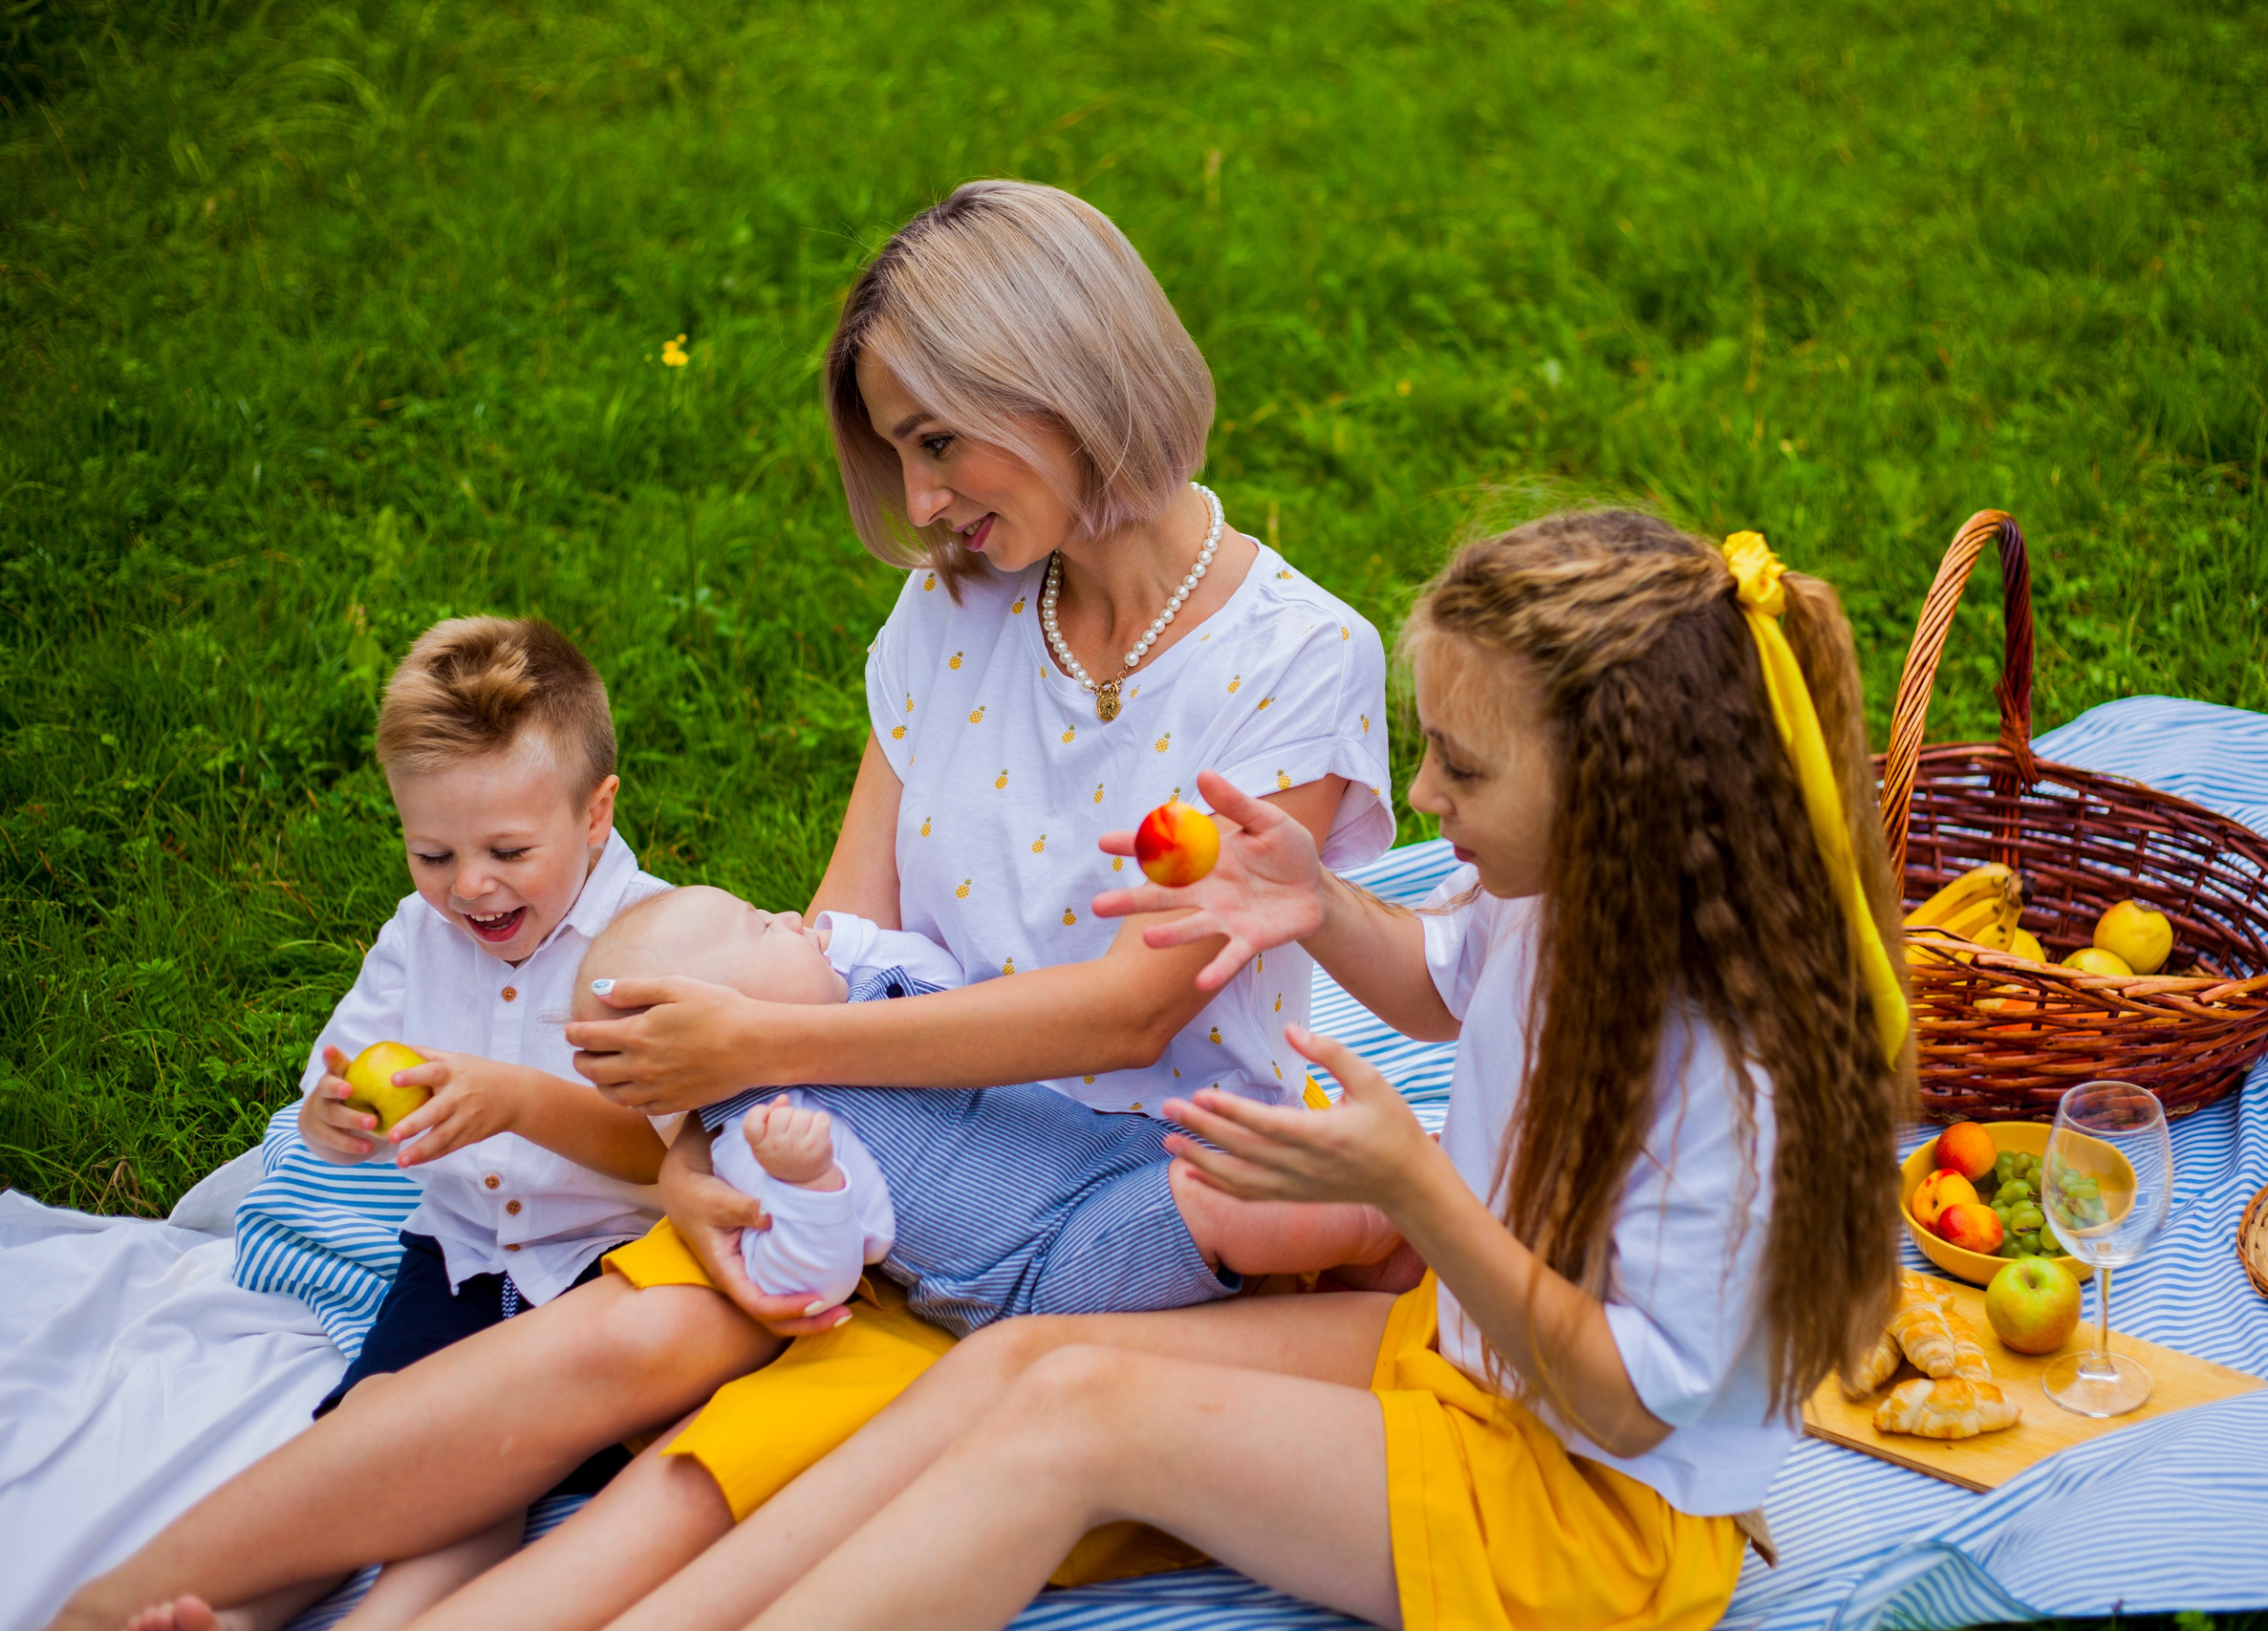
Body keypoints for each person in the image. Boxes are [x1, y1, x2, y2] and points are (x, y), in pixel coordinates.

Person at [54, 179, 1393, 1631]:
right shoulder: (954, 610)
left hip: (1120, 1212)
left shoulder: (1300, 654)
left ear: (1067, 380)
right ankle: (115, 1604)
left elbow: (1141, 1007)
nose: (925, 499)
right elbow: (834, 934)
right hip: (864, 1167)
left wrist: (750, 1062)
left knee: (697, 1483)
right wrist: (706, 1146)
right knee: (620, 1335)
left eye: (941, 440)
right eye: (900, 451)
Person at [483, 510, 1914, 1631]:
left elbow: (1627, 1404)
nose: (1421, 799)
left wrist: (1415, 1191)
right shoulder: (1564, 898)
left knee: (1079, 1419)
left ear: (1619, 786)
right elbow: (1438, 982)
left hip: (1582, 1512)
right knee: (1025, 1356)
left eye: (1463, 774)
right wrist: (1318, 900)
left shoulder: (1736, 1077)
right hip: (1462, 1371)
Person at [147, 616, 676, 1631]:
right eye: (432, 850)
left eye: (507, 850)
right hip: (463, 1257)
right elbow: (332, 1085)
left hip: (607, 1280)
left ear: (597, 813)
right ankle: (238, 1609)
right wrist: (333, 1117)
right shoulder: (416, 934)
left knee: (482, 1461)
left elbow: (661, 1160)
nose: (468, 885)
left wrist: (520, 1101)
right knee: (376, 1437)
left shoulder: (654, 943)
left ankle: (385, 1621)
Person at [578, 886, 1394, 1317]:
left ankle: (1375, 1258)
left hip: (1112, 1150)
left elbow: (938, 974)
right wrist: (809, 1185)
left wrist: (842, 955)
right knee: (1218, 1196)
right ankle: (1395, 1218)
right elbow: (817, 1275)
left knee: (1254, 1147)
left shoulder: (869, 985)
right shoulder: (765, 1137)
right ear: (718, 1008)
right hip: (1042, 1261)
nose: (794, 916)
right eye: (763, 927)